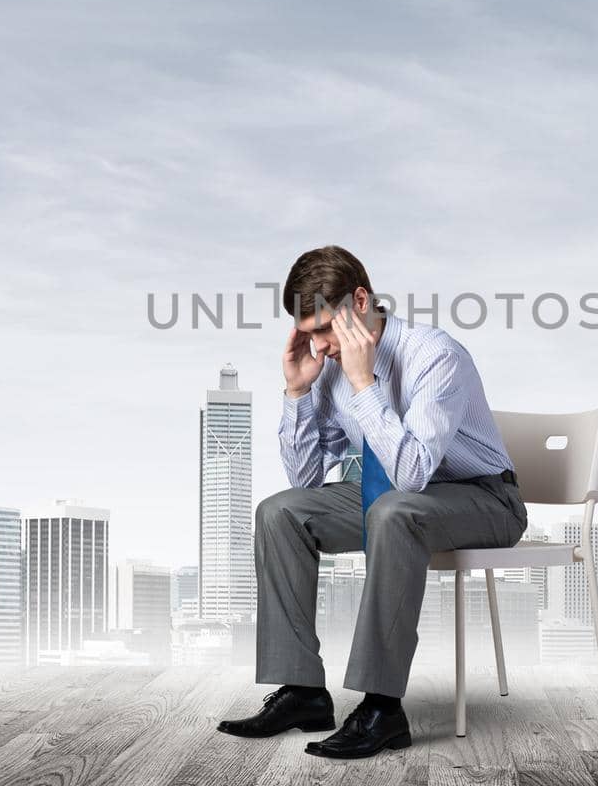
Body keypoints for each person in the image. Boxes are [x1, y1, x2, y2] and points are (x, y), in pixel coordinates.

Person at [216, 245, 528, 759]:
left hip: (486, 498)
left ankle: (382, 709)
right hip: (391, 502)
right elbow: (307, 482)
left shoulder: (435, 355)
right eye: (309, 333)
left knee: (393, 512)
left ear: (361, 300)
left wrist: (364, 383)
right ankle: (303, 693)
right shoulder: (327, 370)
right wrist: (297, 393)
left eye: (326, 329)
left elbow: (411, 475)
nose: (320, 347)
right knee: (280, 512)